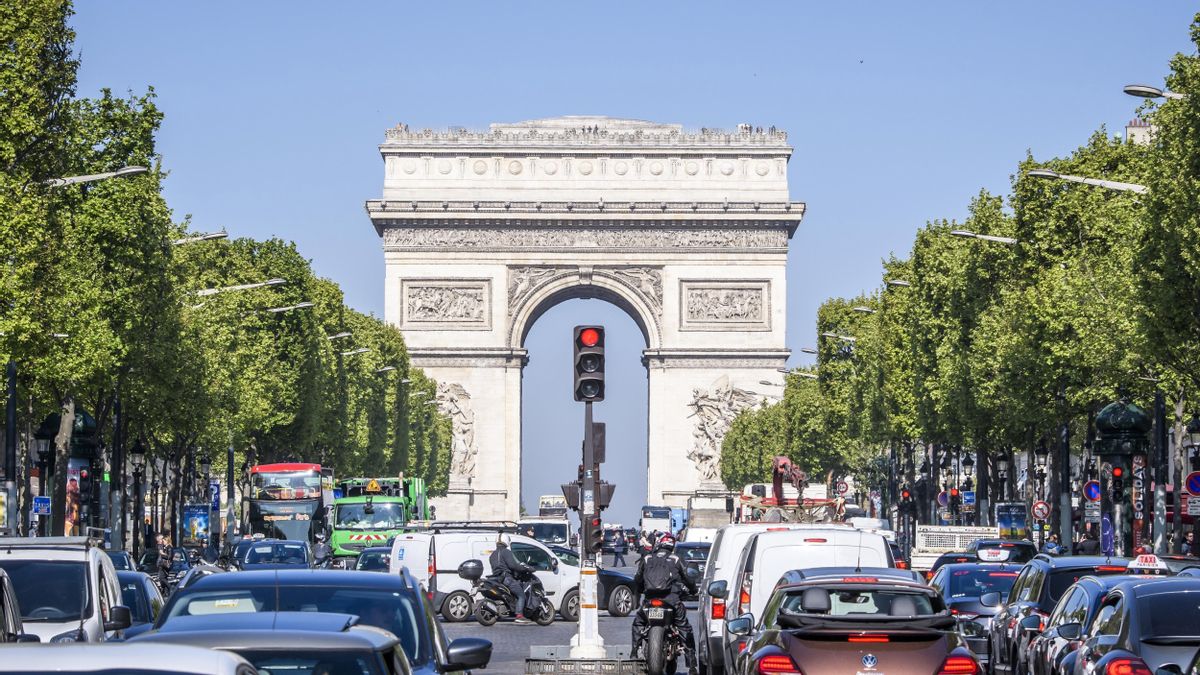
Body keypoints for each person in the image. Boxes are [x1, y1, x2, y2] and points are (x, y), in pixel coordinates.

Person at [632, 533, 698, 675]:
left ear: (658, 544)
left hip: (650, 601)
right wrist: (693, 590)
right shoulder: (676, 559)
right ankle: (692, 665)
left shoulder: (647, 558)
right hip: (672, 601)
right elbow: (688, 578)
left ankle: (633, 654)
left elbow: (637, 579)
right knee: (685, 629)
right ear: (672, 546)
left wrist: (639, 591)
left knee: (638, 623)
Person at [489, 534, 535, 624]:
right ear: (506, 541)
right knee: (521, 594)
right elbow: (513, 565)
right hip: (506, 578)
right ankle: (519, 616)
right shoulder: (506, 552)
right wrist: (526, 568)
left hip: (496, 578)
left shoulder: (492, 554)